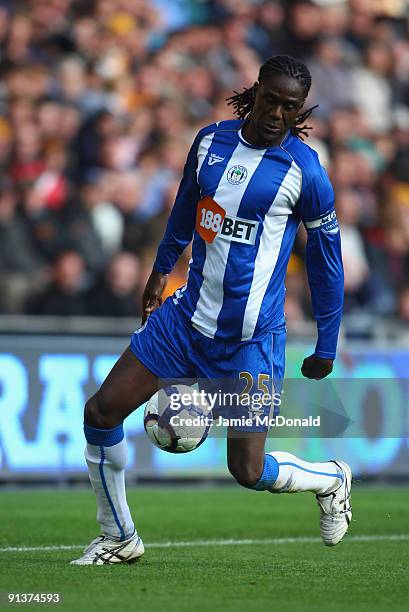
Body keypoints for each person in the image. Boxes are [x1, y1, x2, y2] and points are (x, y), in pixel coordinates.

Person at [71, 55, 351, 565]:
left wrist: (327, 343)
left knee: (247, 470)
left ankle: (331, 478)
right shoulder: (210, 142)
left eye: (290, 108)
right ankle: (118, 536)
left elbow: (327, 264)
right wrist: (159, 270)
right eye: (270, 100)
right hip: (184, 321)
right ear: (256, 91)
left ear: (298, 111)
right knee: (101, 411)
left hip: (251, 339)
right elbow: (184, 209)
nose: (276, 115)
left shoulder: (306, 172)